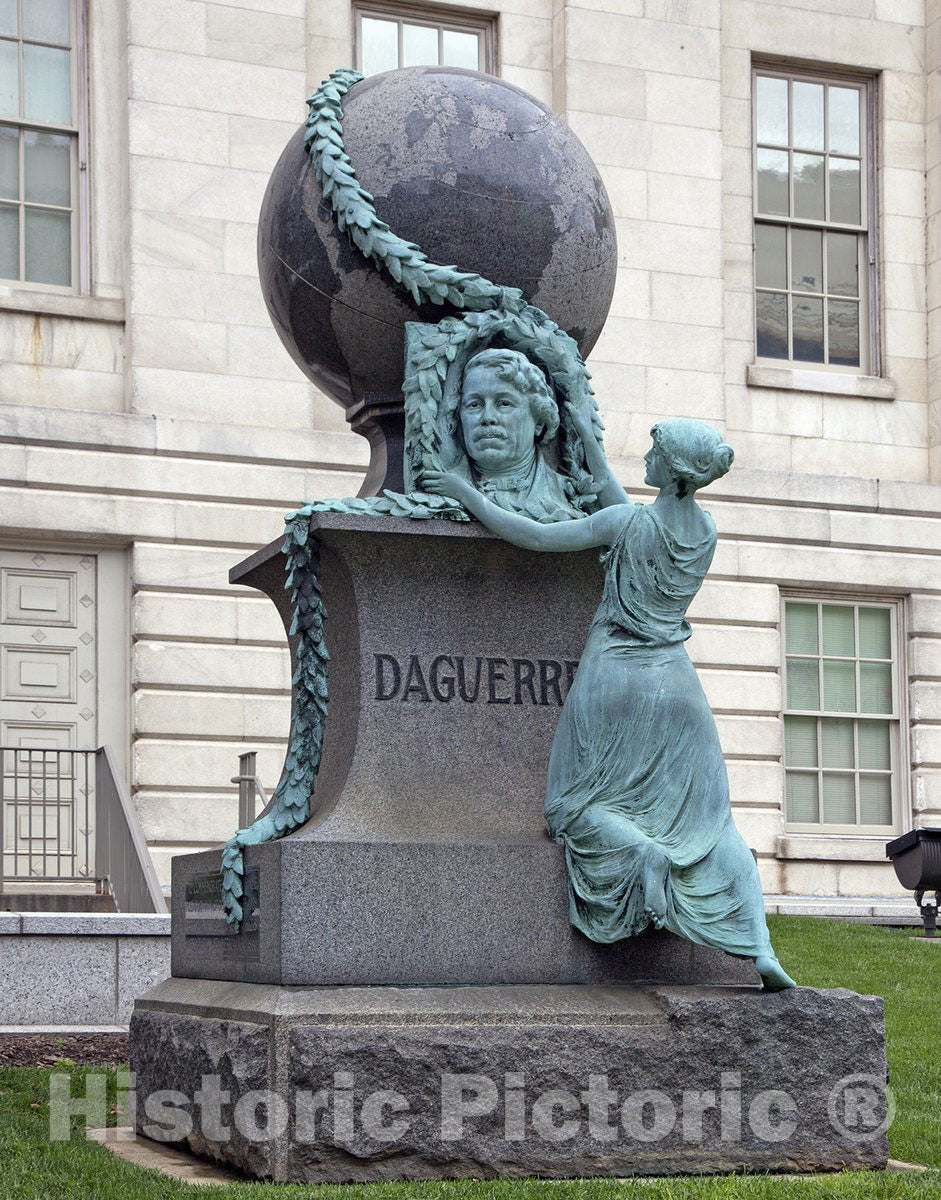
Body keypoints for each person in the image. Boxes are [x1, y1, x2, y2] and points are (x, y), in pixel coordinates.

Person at [423, 403, 795, 991]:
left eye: (653, 452)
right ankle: (758, 943)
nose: (642, 458)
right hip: (678, 690)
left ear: (670, 469)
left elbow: (537, 536)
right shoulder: (703, 532)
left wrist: (465, 492)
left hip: (617, 678)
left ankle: (644, 869)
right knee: (707, 823)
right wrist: (587, 435)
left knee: (576, 806)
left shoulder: (625, 526)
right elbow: (620, 499)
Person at [445, 348, 578, 522]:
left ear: (538, 422)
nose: (487, 418)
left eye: (504, 403)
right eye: (475, 404)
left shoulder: (569, 494)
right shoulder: (440, 488)